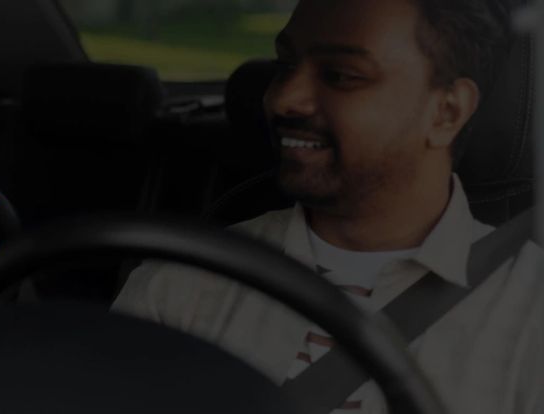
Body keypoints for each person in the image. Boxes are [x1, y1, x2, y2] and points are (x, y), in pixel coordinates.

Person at [112, 0, 541, 412]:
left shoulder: (531, 318)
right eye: (285, 66)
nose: (282, 99)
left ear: (446, 112)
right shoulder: (178, 288)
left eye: (340, 75)